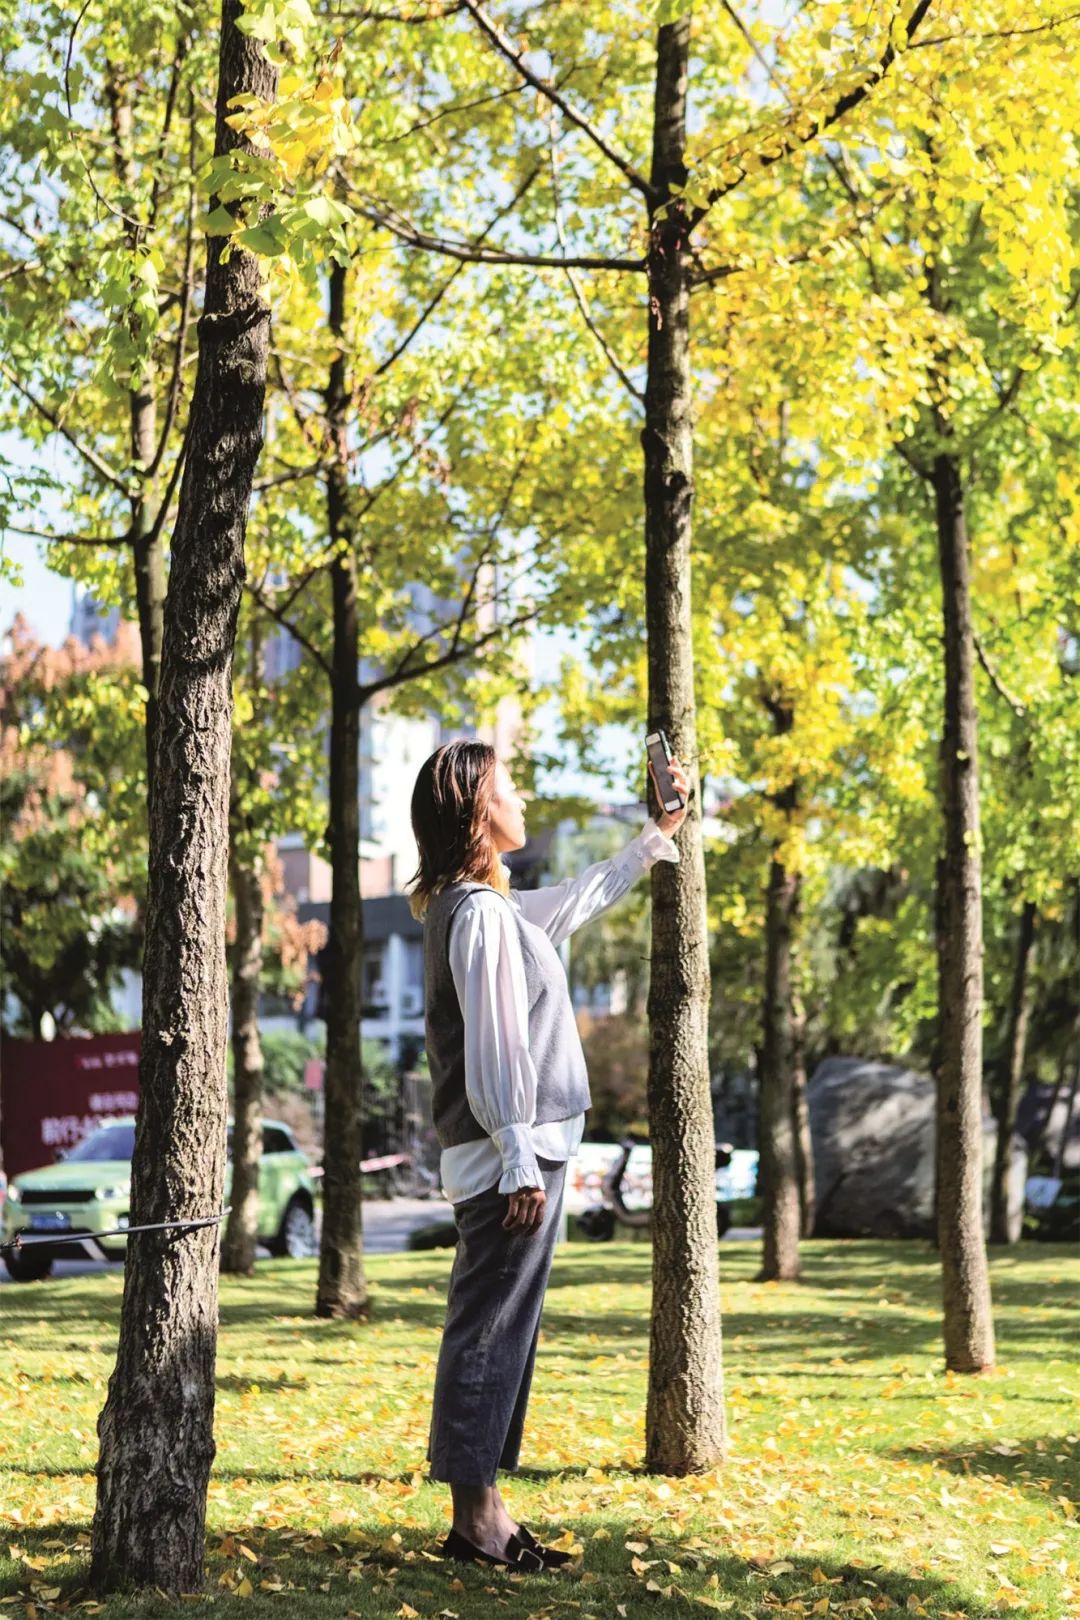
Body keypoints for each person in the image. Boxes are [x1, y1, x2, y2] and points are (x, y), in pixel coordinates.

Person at [407, 738, 690, 1572]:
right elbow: (497, 1047)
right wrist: (519, 1161)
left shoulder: (480, 906)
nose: (522, 795)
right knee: (489, 1333)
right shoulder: (480, 916)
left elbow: (572, 903)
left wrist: (656, 834)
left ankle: (485, 1508)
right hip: (509, 1163)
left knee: (502, 1332)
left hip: (508, 1156)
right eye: (508, 785)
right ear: (475, 811)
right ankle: (476, 1523)